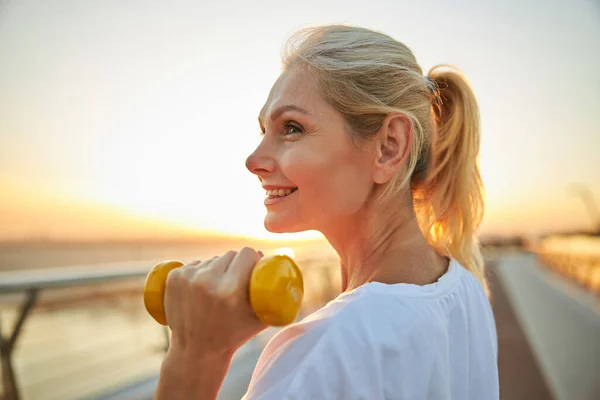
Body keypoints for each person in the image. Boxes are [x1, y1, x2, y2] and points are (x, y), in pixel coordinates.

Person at [155, 25, 499, 400]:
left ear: (389, 147)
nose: (253, 161)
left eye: (291, 128)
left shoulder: (327, 350)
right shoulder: (466, 291)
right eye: (263, 131)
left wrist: (193, 359)